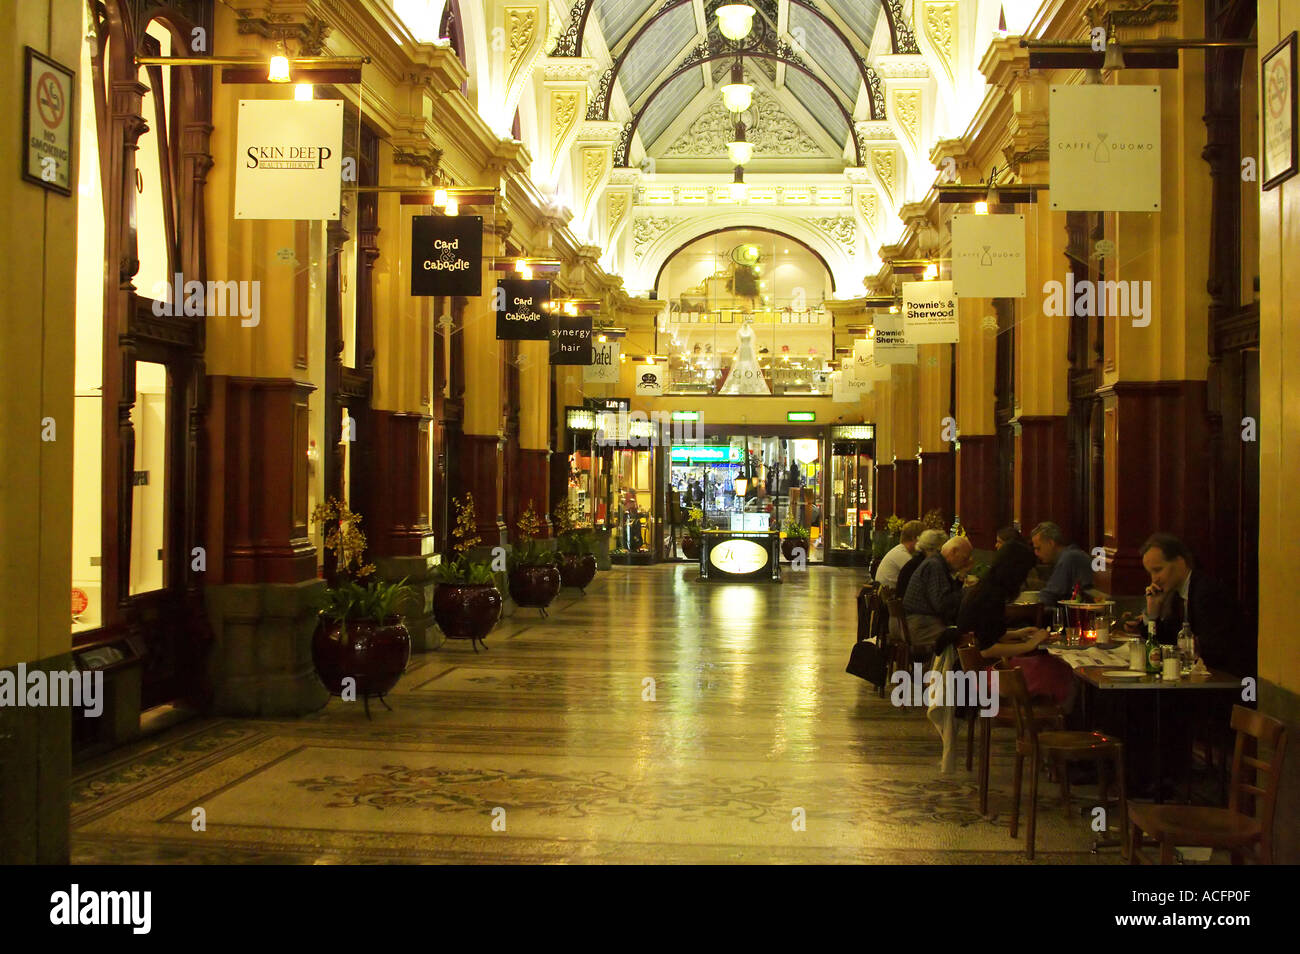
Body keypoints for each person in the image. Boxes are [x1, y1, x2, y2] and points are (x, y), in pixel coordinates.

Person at [956, 539, 1077, 709]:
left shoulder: (985, 589)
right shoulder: (992, 597)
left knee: (1054, 666)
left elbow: (985, 633)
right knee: (1062, 670)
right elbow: (987, 650)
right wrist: (1030, 644)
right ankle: (1054, 719)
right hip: (991, 674)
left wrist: (1018, 633)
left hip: (982, 671)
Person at [1140, 533, 1253, 676]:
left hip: (1226, 676)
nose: (1154, 579)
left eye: (1158, 570)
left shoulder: (1207, 591)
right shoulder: (1175, 595)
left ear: (1180, 562)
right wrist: (1153, 614)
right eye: (1150, 573)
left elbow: (1213, 647)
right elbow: (1165, 644)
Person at [903, 536, 972, 652]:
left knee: (962, 633)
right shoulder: (935, 565)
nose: (965, 563)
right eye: (965, 558)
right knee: (964, 639)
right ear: (954, 551)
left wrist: (961, 575)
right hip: (921, 625)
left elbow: (946, 599)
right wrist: (968, 592)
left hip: (921, 622)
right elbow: (943, 605)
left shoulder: (937, 563)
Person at [1030, 521, 1093, 605]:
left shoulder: (1069, 558)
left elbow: (1050, 595)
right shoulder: (1070, 555)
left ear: (1051, 543)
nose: (1036, 553)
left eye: (1038, 548)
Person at [896, 529, 946, 600]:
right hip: (913, 605)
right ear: (932, 549)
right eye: (940, 550)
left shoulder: (917, 561)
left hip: (905, 602)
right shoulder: (928, 564)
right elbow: (938, 598)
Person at [874, 519, 924, 590]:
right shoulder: (902, 555)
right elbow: (920, 578)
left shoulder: (900, 550)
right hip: (889, 595)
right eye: (923, 538)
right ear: (914, 538)